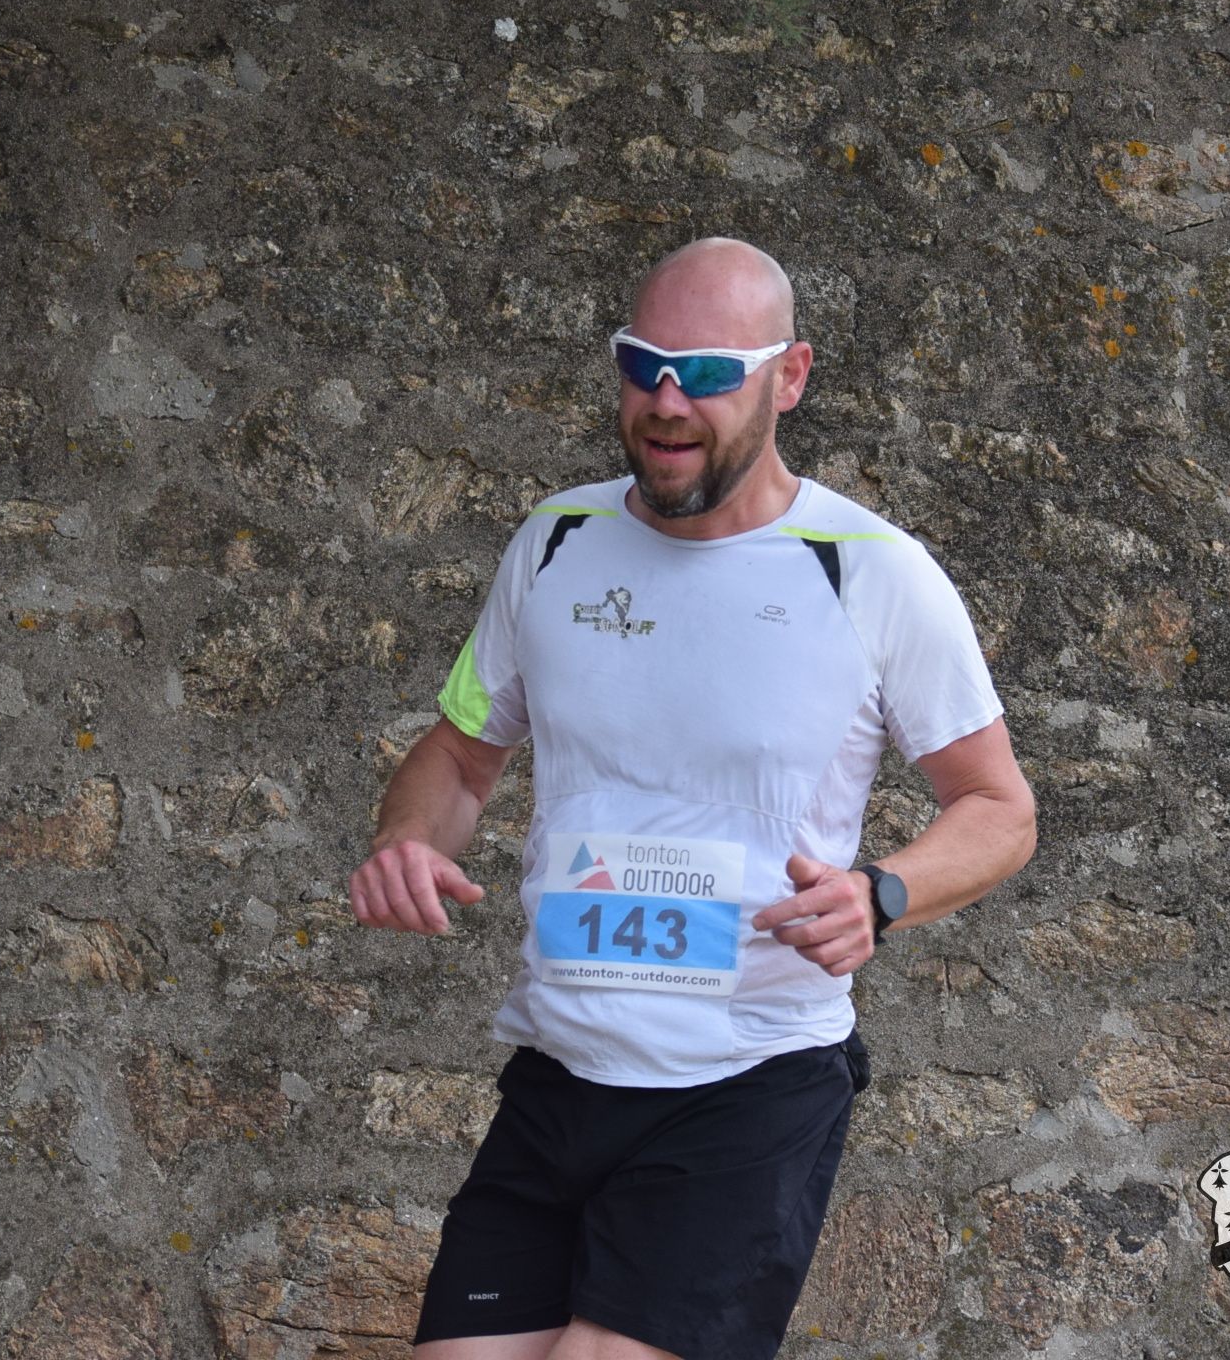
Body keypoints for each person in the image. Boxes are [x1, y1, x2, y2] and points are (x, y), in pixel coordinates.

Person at [349, 236, 1040, 1360]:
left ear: (790, 376)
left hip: (746, 1084)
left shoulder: (870, 570)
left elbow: (999, 808)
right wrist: (405, 838)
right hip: (559, 1074)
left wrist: (882, 892)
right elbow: (460, 757)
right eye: (644, 364)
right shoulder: (555, 540)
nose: (668, 401)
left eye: (710, 373)